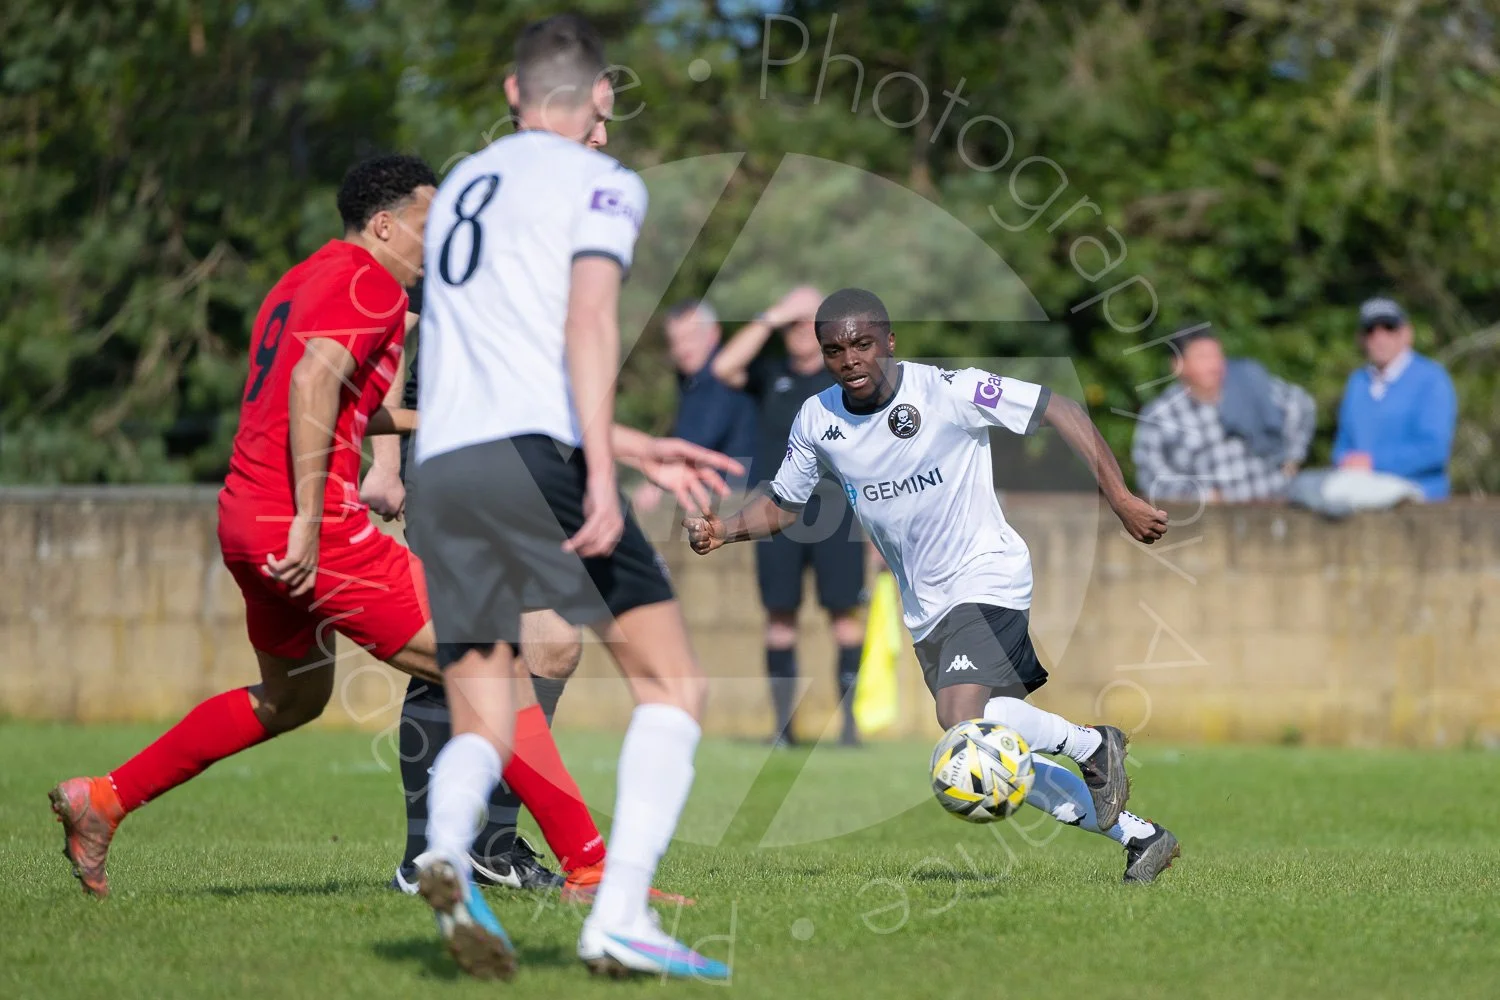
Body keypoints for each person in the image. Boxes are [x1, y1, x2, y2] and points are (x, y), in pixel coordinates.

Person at [47, 155, 734, 909]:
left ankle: (105, 799)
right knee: (494, 666)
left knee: (290, 702)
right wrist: (313, 518)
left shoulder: (301, 279)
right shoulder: (371, 283)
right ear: (385, 224)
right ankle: (591, 871)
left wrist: (421, 421)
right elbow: (314, 383)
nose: (436, 242)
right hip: (309, 524)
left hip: (245, 518)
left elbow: (319, 394)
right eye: (426, 224)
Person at [407, 15, 729, 980]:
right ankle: (619, 916)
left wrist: (627, 442)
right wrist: (601, 467)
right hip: (536, 459)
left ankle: (445, 857)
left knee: (482, 708)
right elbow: (588, 321)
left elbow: (488, 350)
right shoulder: (603, 181)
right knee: (673, 685)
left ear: (511, 94)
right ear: (601, 98)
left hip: (445, 464)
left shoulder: (464, 179)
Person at [685, 287, 1182, 885]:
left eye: (863, 344)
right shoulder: (818, 418)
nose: (850, 360)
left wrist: (1119, 496)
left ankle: (1091, 744)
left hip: (986, 571)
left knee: (961, 717)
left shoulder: (947, 390)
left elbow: (1059, 409)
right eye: (835, 350)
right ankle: (1140, 837)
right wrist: (724, 530)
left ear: (889, 341)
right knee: (979, 739)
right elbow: (785, 506)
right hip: (925, 605)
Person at [711, 285, 866, 747]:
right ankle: (784, 730)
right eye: (795, 325)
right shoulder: (770, 374)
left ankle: (849, 728)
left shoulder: (842, 377)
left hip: (837, 514)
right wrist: (774, 312)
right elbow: (721, 368)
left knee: (844, 615)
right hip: (775, 510)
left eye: (810, 323)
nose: (801, 332)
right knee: (779, 616)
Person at [1132, 327, 1315, 504]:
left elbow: (1301, 404)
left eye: (1217, 355)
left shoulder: (1250, 384)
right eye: (1203, 357)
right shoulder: (1161, 416)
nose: (1214, 365)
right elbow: (1151, 477)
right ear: (1178, 364)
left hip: (1278, 506)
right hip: (1212, 523)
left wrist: (1293, 457)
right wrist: (1200, 498)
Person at [631, 299, 757, 513]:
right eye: (675, 341)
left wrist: (657, 477)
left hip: (738, 500)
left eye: (690, 337)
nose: (682, 348)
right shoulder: (688, 380)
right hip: (712, 499)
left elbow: (702, 435)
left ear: (713, 333)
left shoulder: (725, 375)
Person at [1332, 297, 1458, 501]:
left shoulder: (1431, 379)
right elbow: (1342, 446)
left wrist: (1373, 463)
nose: (1379, 337)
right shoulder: (1357, 382)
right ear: (1361, 338)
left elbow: (1434, 450)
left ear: (1407, 333)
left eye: (1389, 328)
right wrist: (1346, 462)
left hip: (1419, 496)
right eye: (1370, 330)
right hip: (1360, 493)